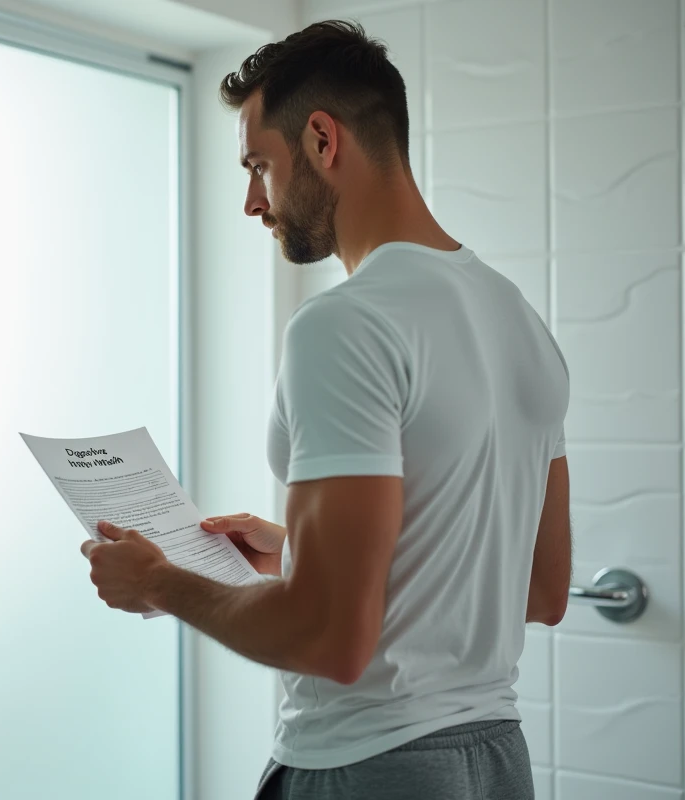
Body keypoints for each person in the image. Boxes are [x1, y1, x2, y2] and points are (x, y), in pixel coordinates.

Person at [80, 19, 572, 800]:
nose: (251, 202)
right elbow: (540, 588)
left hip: (371, 768)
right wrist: (298, 552)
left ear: (320, 140)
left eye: (257, 166)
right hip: (496, 764)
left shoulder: (346, 325)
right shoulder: (517, 318)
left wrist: (159, 584)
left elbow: (330, 638)